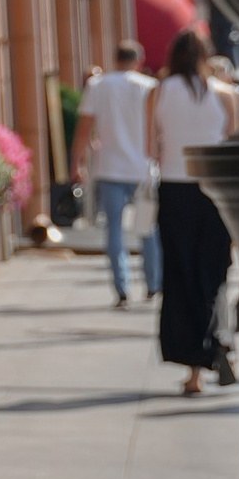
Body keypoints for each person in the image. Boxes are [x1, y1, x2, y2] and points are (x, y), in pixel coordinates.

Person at [149, 27, 237, 396]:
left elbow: (150, 148)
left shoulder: (159, 92)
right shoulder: (225, 93)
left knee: (180, 274)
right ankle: (217, 342)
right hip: (215, 190)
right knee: (213, 273)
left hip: (175, 189)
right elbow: (234, 146)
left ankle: (194, 372)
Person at [75, 38, 159, 309]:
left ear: (115, 59)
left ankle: (121, 288)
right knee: (147, 228)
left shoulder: (98, 85)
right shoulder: (150, 87)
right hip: (144, 170)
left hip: (110, 168)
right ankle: (153, 284)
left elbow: (84, 127)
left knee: (114, 229)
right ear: (139, 60)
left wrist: (77, 162)